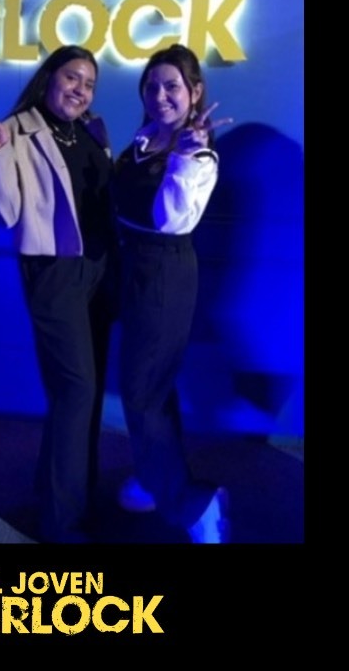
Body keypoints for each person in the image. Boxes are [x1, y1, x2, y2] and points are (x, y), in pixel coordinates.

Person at [0, 45, 118, 543]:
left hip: (99, 271)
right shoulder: (15, 131)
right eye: (72, 77)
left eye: (89, 83)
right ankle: (61, 522)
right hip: (54, 274)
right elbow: (6, 213)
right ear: (49, 77)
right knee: (76, 390)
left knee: (86, 392)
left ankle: (71, 493)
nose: (81, 90)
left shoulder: (91, 131)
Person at [113, 43, 233, 544]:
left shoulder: (197, 154)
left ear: (195, 92)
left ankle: (194, 505)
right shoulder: (145, 138)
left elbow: (169, 220)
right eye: (151, 86)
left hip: (163, 274)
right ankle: (154, 472)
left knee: (142, 391)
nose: (159, 96)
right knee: (152, 387)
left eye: (172, 86)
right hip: (135, 270)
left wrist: (184, 157)